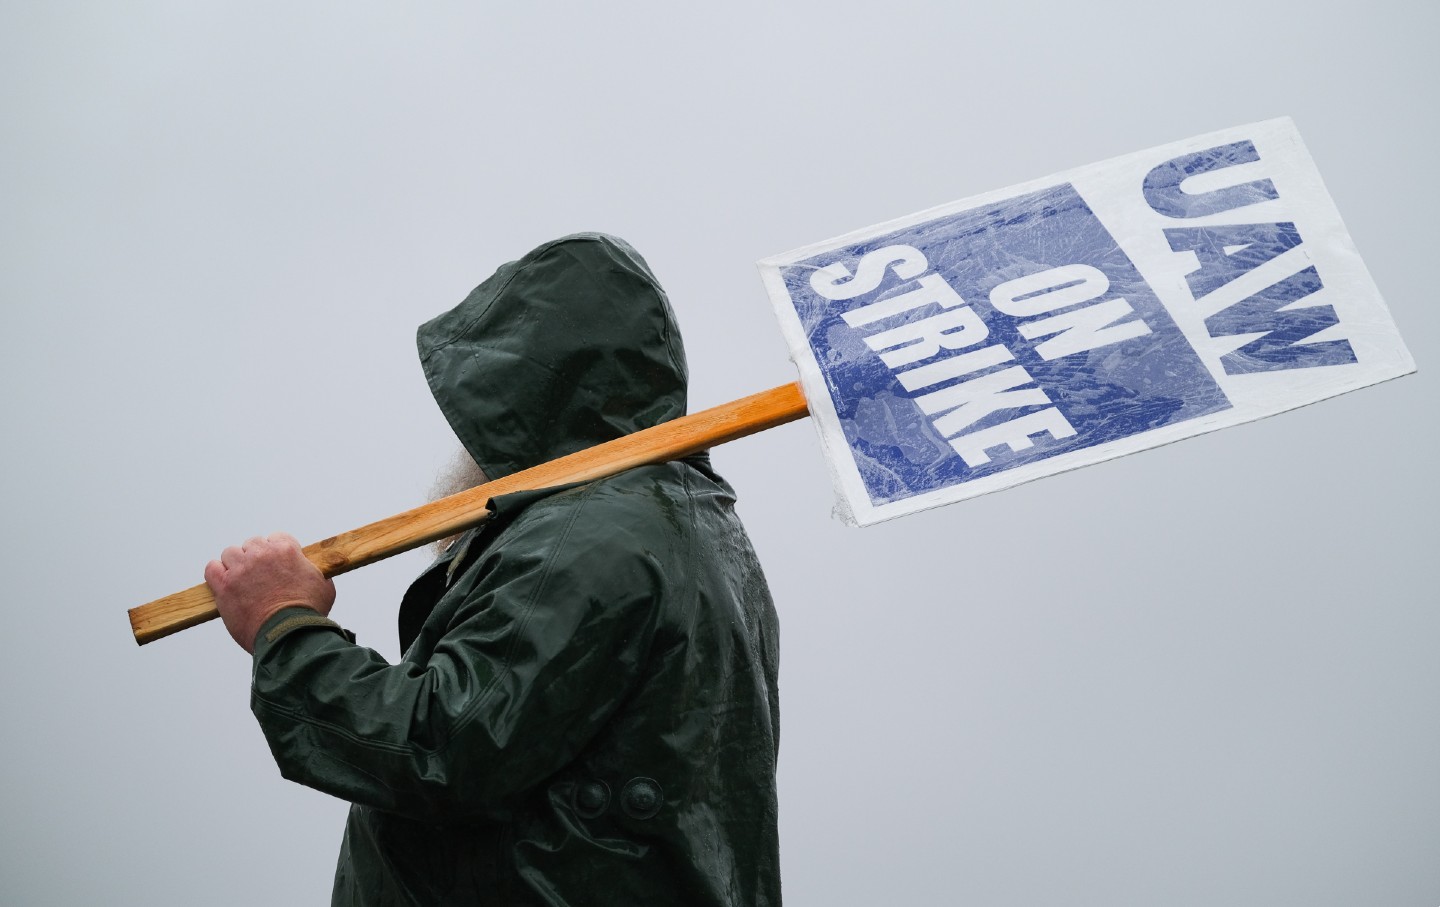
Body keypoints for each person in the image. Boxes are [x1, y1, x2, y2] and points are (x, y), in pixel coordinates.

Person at [204, 233, 783, 906]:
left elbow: (442, 745)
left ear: (526, 399)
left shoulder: (596, 533)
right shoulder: (702, 533)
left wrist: (286, 626)